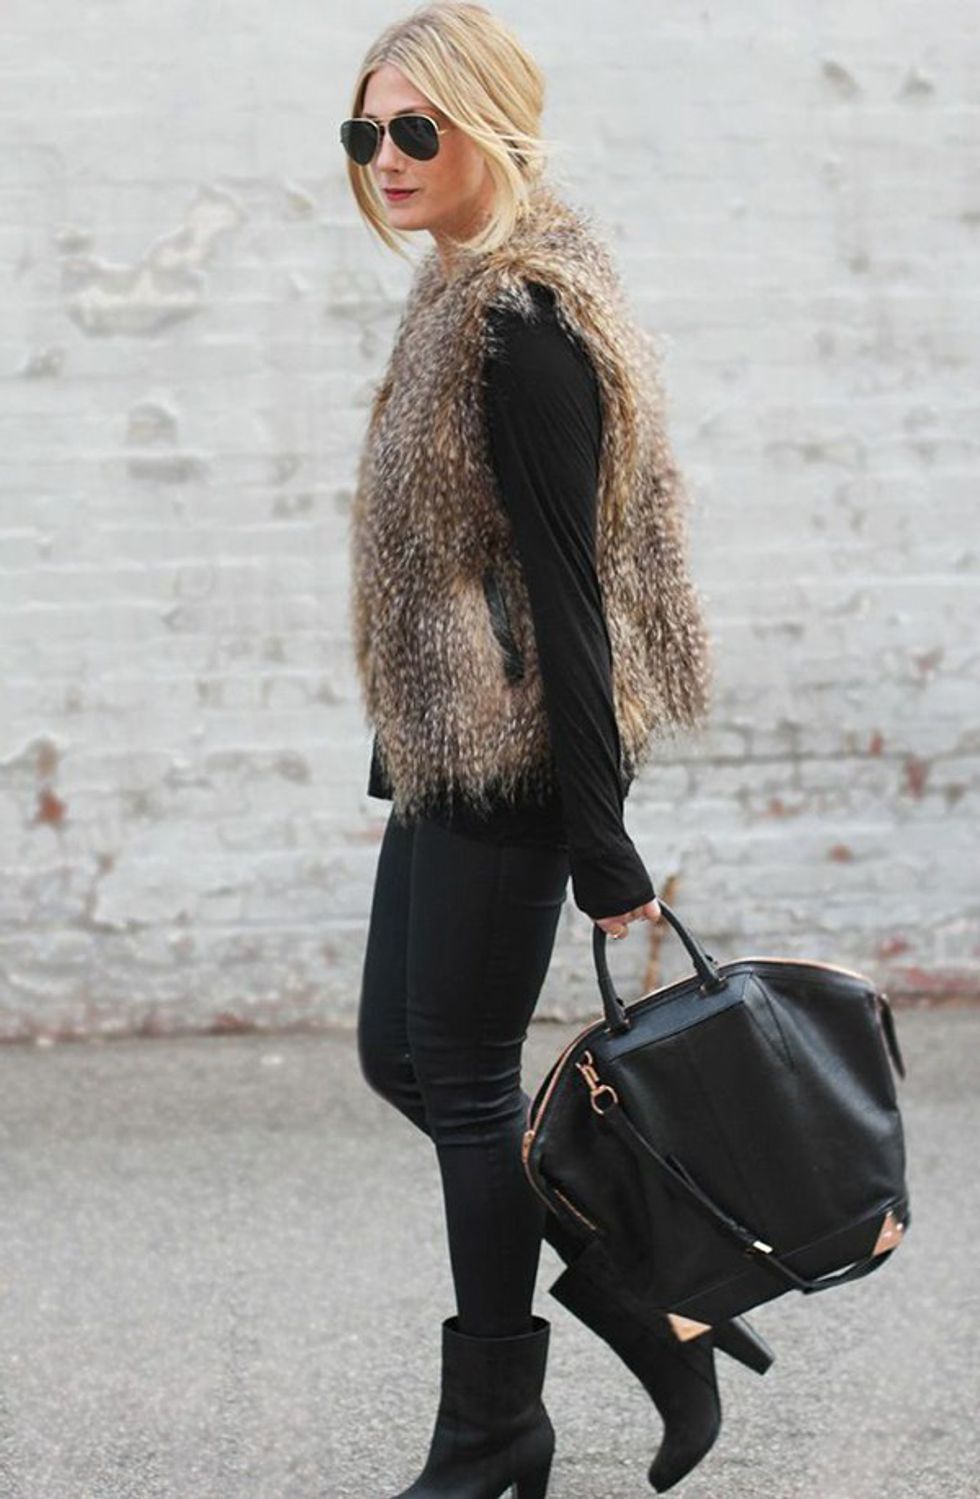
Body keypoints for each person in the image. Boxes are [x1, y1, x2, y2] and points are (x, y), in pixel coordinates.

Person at [342, 5, 772, 1494]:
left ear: (490, 126)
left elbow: (576, 595)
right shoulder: (456, 294)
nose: (386, 157)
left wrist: (603, 838)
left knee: (463, 1082)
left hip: (518, 754)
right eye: (366, 131)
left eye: (415, 128)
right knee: (401, 1056)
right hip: (446, 747)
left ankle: (493, 1432)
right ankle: (659, 1309)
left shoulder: (524, 324)